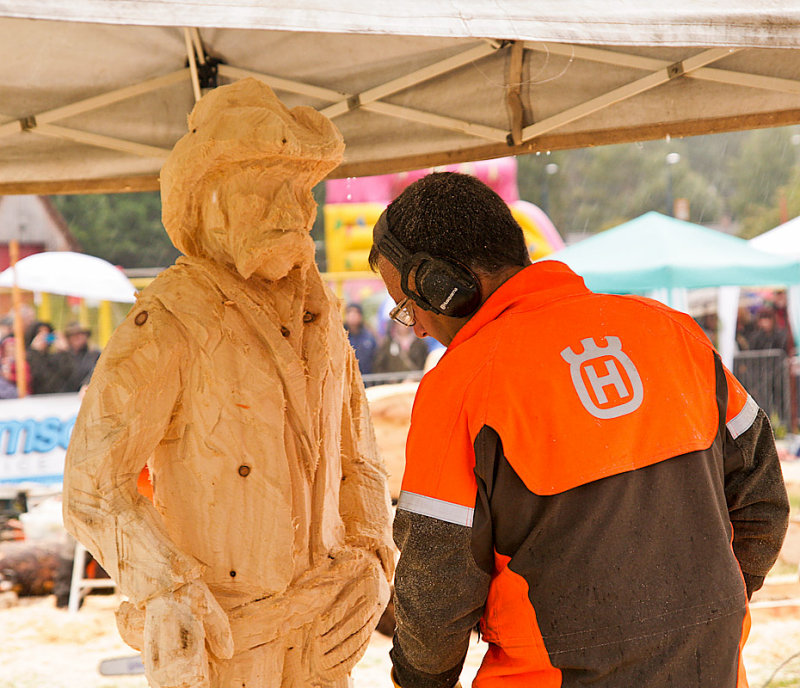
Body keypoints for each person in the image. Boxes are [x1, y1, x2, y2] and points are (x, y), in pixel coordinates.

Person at [369, 171, 789, 688]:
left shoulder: (462, 384)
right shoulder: (671, 332)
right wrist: (696, 617)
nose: (419, 327)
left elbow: (437, 589)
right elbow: (763, 505)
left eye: (408, 309)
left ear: (442, 286)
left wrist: (416, 677)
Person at [344, 303, 377, 375]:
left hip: (366, 378)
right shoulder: (340, 335)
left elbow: (376, 358)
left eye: (355, 313)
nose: (352, 316)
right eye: (350, 312)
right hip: (345, 378)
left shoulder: (368, 337)